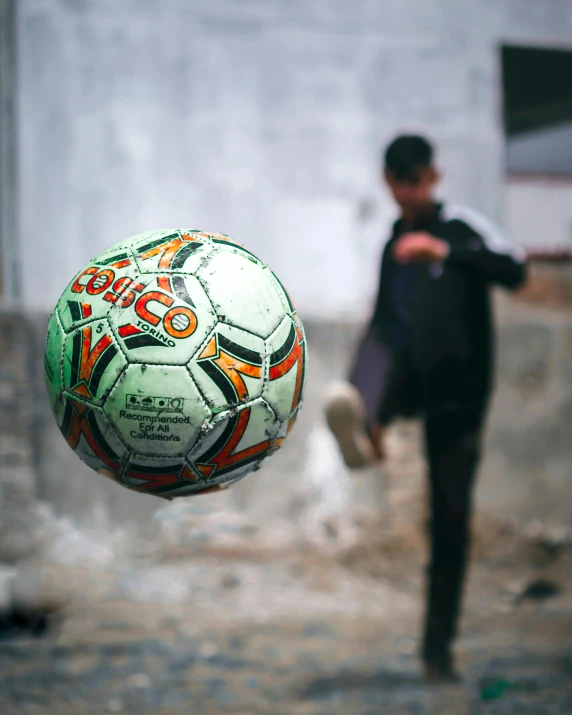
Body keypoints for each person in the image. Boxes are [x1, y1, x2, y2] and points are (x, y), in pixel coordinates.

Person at [325, 134, 527, 682]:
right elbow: (389, 322)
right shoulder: (393, 237)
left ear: (431, 178)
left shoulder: (460, 225)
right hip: (409, 379)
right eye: (399, 183)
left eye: (417, 181)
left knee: (449, 516)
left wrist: (444, 252)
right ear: (389, 183)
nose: (408, 193)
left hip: (459, 395)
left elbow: (515, 271)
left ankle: (437, 648)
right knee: (373, 359)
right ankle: (363, 420)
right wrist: (379, 411)